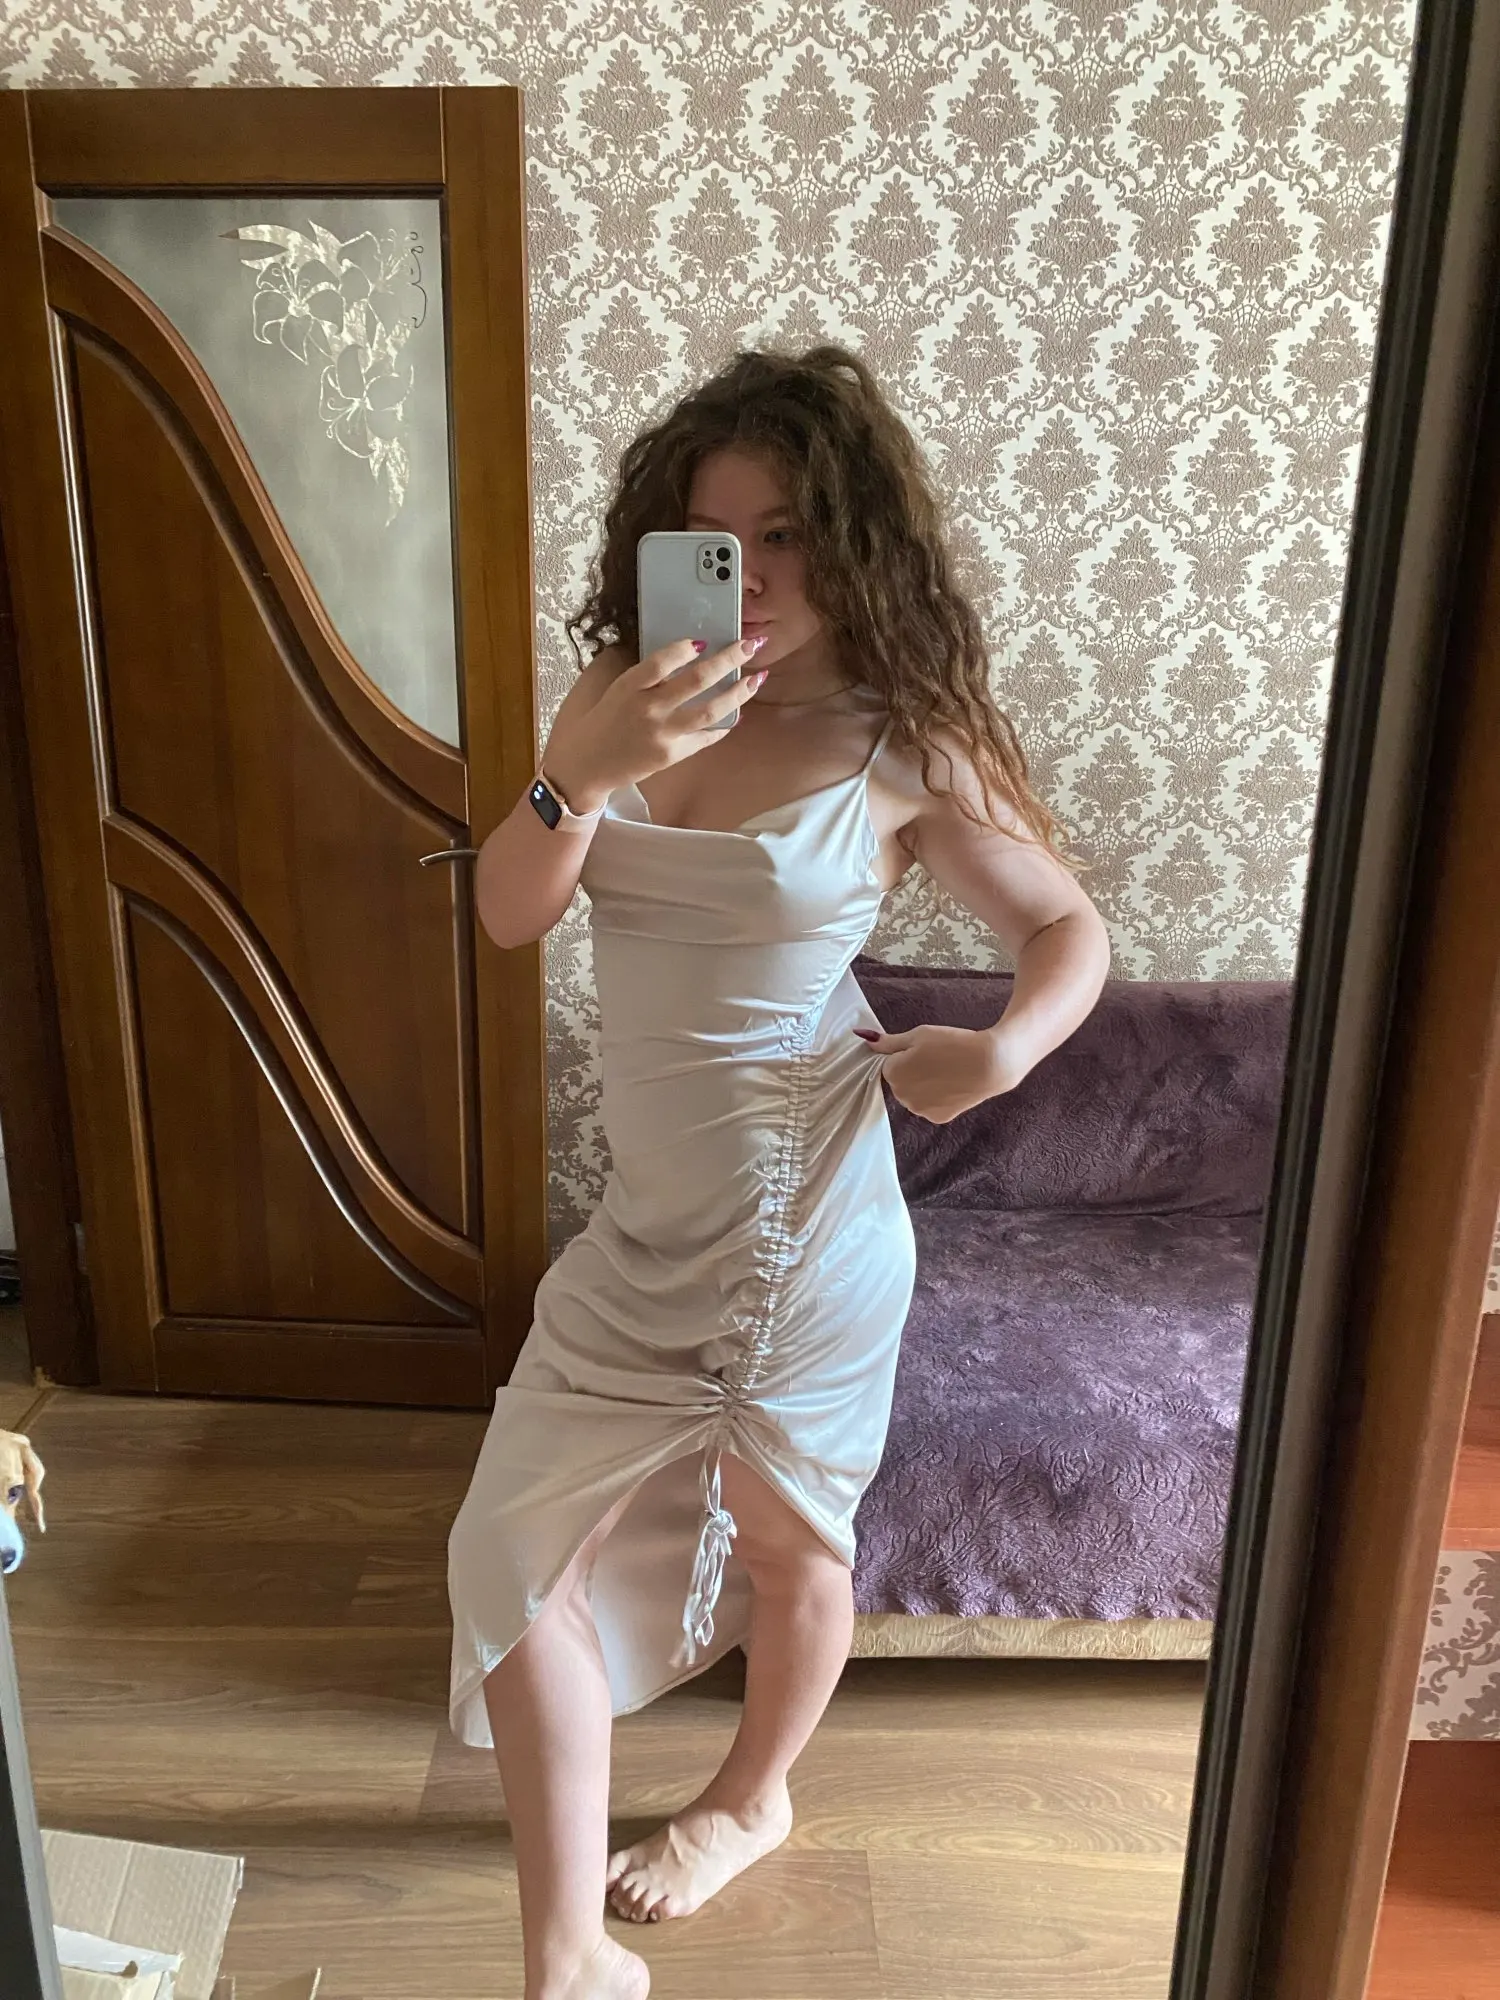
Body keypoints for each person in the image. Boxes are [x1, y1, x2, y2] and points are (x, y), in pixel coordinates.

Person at [447, 344, 1111, 2000]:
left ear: (857, 541)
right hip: (646, 1228)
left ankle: (749, 1800)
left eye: (789, 534)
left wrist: (1002, 1054)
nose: (748, 573)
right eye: (714, 536)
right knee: (507, 1557)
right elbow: (512, 909)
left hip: (808, 1229)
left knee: (792, 1543)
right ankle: (569, 1954)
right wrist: (582, 772)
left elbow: (1064, 927)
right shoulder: (617, 699)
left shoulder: (900, 738)